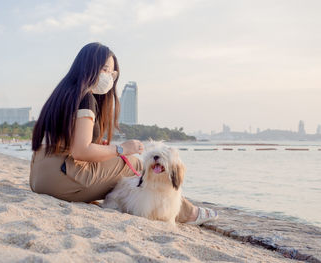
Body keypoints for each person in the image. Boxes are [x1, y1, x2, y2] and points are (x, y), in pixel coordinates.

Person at [29, 42, 217, 224]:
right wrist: (121, 148)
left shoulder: (65, 93)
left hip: (39, 176)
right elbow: (81, 151)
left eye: (112, 72)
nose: (109, 77)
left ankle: (166, 208)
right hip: (59, 179)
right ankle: (186, 211)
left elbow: (72, 143)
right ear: (88, 67)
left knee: (129, 167)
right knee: (134, 164)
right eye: (104, 70)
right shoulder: (85, 98)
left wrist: (101, 146)